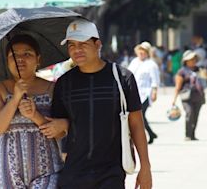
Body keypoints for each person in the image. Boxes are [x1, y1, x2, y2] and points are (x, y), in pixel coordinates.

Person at [46, 19, 152, 189]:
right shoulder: (64, 83)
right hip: (73, 174)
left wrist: (145, 167)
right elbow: (58, 130)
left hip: (111, 174)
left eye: (83, 44)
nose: (77, 50)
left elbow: (136, 124)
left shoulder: (122, 78)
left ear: (98, 44)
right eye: (71, 45)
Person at [0, 35, 66, 188]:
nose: (20, 59)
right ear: (7, 61)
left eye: (27, 54)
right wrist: (15, 99)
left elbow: (61, 132)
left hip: (47, 168)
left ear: (38, 59)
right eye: (13, 55)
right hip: (6, 169)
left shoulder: (53, 89)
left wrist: (35, 115)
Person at [128, 41, 160, 144]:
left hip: (145, 93)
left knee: (140, 115)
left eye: (144, 51)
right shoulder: (134, 62)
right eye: (140, 50)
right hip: (133, 92)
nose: (142, 53)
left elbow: (155, 79)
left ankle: (148, 134)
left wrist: (154, 91)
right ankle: (151, 134)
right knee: (136, 116)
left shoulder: (151, 64)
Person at [170, 50, 206, 141]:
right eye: (191, 59)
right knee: (189, 113)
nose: (193, 61)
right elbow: (178, 86)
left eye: (194, 59)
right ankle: (187, 134)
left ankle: (193, 134)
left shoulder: (199, 69)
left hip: (198, 95)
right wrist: (174, 99)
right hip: (186, 96)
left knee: (196, 115)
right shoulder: (181, 72)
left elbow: (206, 78)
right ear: (186, 61)